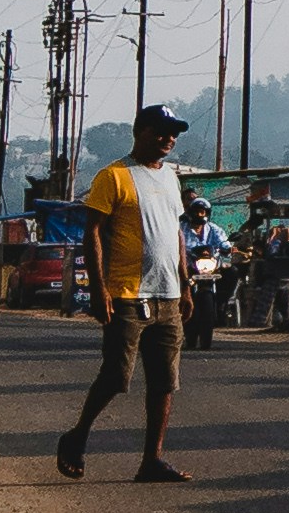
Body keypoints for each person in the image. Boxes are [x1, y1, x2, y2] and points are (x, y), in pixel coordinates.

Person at [66, 106, 195, 482]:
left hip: (168, 295)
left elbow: (176, 234)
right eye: (163, 132)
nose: (169, 139)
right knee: (115, 377)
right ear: (141, 132)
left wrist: (185, 285)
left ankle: (151, 459)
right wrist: (97, 287)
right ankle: (76, 437)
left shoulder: (171, 178)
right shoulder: (114, 176)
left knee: (164, 381)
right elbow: (93, 233)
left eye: (174, 133)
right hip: (126, 293)